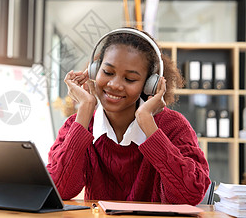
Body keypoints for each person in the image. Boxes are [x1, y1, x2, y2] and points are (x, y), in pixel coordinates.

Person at [46, 27, 210, 205]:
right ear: (94, 70)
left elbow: (190, 195)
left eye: (130, 79)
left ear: (150, 84)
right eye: (108, 72)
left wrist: (148, 124)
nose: (115, 85)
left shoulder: (173, 126)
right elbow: (59, 189)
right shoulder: (77, 125)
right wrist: (85, 107)